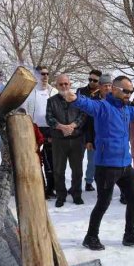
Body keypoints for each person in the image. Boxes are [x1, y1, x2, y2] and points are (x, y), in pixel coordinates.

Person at [64, 75, 134, 250]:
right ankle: (90, 236)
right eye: (125, 91)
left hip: (125, 165)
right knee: (103, 202)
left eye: (130, 92)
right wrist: (75, 99)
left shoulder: (126, 109)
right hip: (106, 165)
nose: (128, 95)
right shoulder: (103, 107)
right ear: (114, 89)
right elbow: (88, 105)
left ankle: (129, 234)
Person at [46, 74, 88, 207]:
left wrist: (72, 126)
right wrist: (61, 127)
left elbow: (83, 115)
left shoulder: (78, 99)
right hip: (59, 141)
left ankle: (76, 194)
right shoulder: (51, 101)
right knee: (58, 170)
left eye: (66, 84)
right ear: (56, 86)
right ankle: (61, 195)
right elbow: (49, 118)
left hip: (76, 140)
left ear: (70, 84)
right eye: (61, 84)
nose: (64, 86)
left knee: (77, 170)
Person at [22, 66, 54, 197]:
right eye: (42, 74)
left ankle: (50, 188)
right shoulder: (29, 93)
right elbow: (24, 112)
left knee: (50, 161)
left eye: (47, 74)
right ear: (36, 75)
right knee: (35, 160)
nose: (45, 76)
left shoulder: (54, 91)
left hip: (51, 130)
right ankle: (39, 187)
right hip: (34, 129)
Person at [78, 70, 105, 192]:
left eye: (95, 80)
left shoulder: (101, 94)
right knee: (77, 160)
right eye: (90, 79)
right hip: (79, 130)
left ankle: (89, 181)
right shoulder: (81, 92)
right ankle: (76, 184)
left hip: (93, 130)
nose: (92, 82)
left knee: (92, 160)